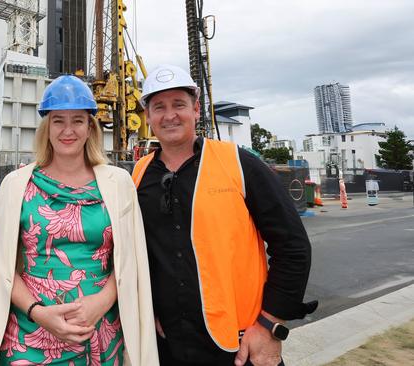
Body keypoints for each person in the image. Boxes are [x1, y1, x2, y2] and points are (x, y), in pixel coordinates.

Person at [132, 64, 317, 366]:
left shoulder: (238, 164)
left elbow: (293, 247)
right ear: (148, 117)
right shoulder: (139, 175)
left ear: (195, 108)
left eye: (179, 104)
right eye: (158, 107)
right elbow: (139, 254)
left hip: (240, 346)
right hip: (168, 345)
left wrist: (270, 325)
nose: (169, 115)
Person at [0, 75, 158, 365]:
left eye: (77, 121)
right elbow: (2, 266)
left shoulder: (118, 182)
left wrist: (102, 302)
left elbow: (130, 259)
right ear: (47, 128)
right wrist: (39, 312)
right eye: (58, 120)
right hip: (30, 332)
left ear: (90, 128)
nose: (68, 130)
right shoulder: (17, 184)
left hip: (101, 331)